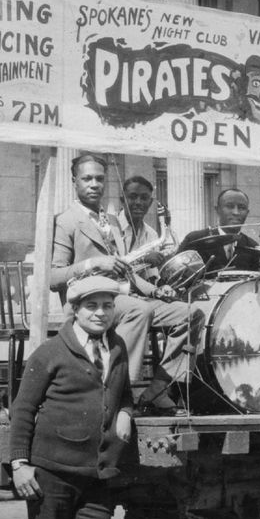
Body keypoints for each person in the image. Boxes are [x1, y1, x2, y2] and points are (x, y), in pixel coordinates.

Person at [9, 275, 135, 519]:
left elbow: (124, 393)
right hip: (50, 477)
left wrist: (125, 411)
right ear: (75, 310)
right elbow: (23, 410)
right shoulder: (50, 353)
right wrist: (19, 464)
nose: (100, 313)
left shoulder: (118, 347)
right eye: (92, 306)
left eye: (107, 306)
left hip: (95, 477)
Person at [49, 153, 201, 416]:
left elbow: (127, 271)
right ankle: (122, 395)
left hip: (123, 297)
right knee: (138, 310)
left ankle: (158, 390)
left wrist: (155, 290)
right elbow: (53, 278)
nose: (94, 184)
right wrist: (95, 264)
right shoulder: (66, 220)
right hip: (87, 303)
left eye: (99, 179)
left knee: (190, 313)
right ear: (74, 182)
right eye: (87, 179)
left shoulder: (111, 221)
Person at [179, 187, 260, 277]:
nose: (236, 212)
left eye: (241, 208)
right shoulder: (195, 239)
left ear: (247, 212)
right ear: (217, 210)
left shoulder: (252, 246)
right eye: (229, 206)